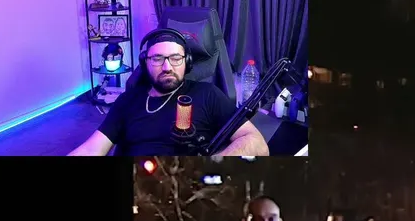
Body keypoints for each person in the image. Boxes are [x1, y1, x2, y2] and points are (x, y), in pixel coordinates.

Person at [68, 28, 268, 157]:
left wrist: (214, 165)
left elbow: (257, 143)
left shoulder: (208, 94)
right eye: (157, 59)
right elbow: (92, 149)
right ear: (145, 63)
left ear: (187, 62)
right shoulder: (128, 100)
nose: (167, 67)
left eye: (175, 58)